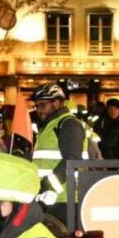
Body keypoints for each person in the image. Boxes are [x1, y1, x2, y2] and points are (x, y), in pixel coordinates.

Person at [30, 83, 86, 223]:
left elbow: (72, 160)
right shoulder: (49, 125)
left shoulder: (68, 123)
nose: (39, 110)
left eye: (42, 105)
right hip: (49, 197)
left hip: (63, 198)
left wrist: (48, 186)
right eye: (37, 106)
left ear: (56, 102)